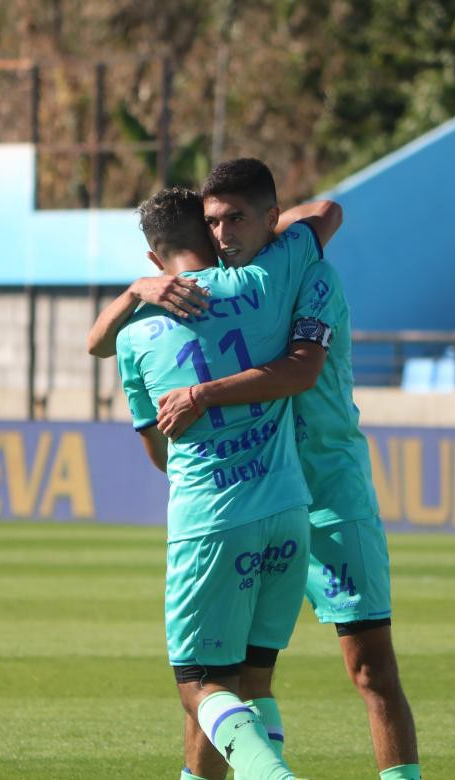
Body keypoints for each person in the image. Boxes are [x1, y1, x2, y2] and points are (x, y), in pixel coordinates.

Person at [96, 158, 420, 780]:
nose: (222, 235)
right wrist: (139, 289)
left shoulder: (307, 274)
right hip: (267, 494)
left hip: (330, 490)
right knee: (231, 680)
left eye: (236, 220)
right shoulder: (222, 290)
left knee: (371, 668)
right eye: (212, 222)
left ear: (271, 220)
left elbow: (323, 220)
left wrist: (201, 393)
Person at [115, 186, 326, 780]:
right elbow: (325, 213)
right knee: (249, 683)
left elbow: (157, 450)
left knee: (199, 689)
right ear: (211, 235)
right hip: (288, 512)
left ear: (156, 264)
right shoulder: (260, 284)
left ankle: (273, 776)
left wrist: (136, 295)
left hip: (211, 521)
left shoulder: (136, 335)